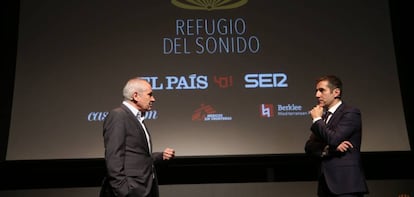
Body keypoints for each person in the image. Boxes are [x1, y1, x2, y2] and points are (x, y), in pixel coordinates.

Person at [100, 77, 175, 197]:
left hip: (144, 189)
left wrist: (160, 156)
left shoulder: (137, 118)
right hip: (132, 191)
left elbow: (136, 155)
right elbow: (114, 157)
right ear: (135, 96)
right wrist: (124, 192)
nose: (153, 99)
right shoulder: (118, 116)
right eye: (149, 95)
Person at [304, 75, 369, 197]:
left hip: (346, 184)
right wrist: (328, 149)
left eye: (322, 90)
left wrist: (317, 119)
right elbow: (309, 147)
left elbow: (334, 139)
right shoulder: (324, 118)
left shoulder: (350, 112)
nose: (317, 95)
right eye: (316, 91)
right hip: (326, 185)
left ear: (336, 92)